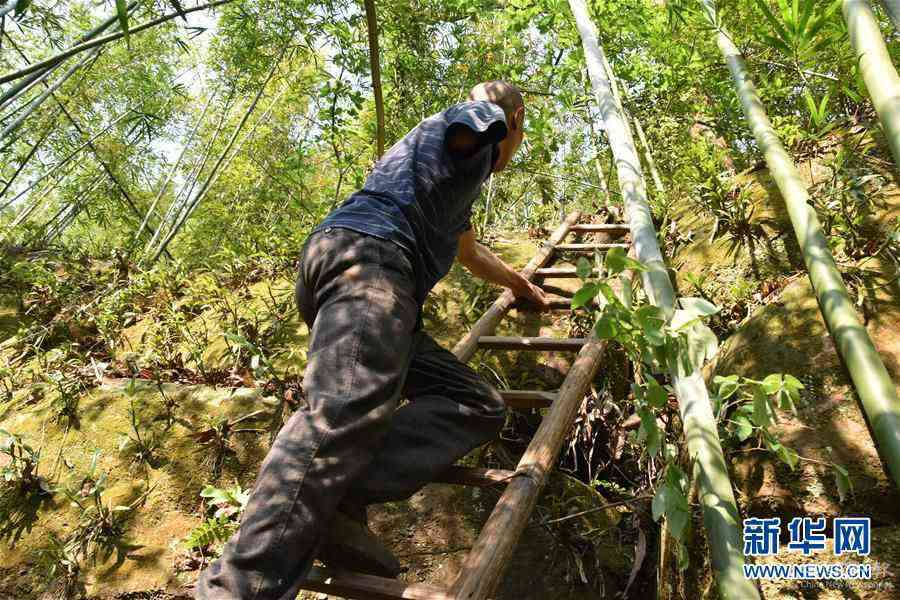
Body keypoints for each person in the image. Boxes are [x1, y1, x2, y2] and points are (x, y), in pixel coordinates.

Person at [195, 80, 548, 600]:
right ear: (515, 123)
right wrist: (491, 111)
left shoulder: (445, 181)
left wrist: (520, 285)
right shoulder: (475, 130)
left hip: (367, 277)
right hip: (371, 263)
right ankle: (236, 589)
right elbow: (471, 124)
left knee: (477, 405)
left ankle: (336, 505)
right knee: (339, 413)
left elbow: (471, 254)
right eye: (518, 133)